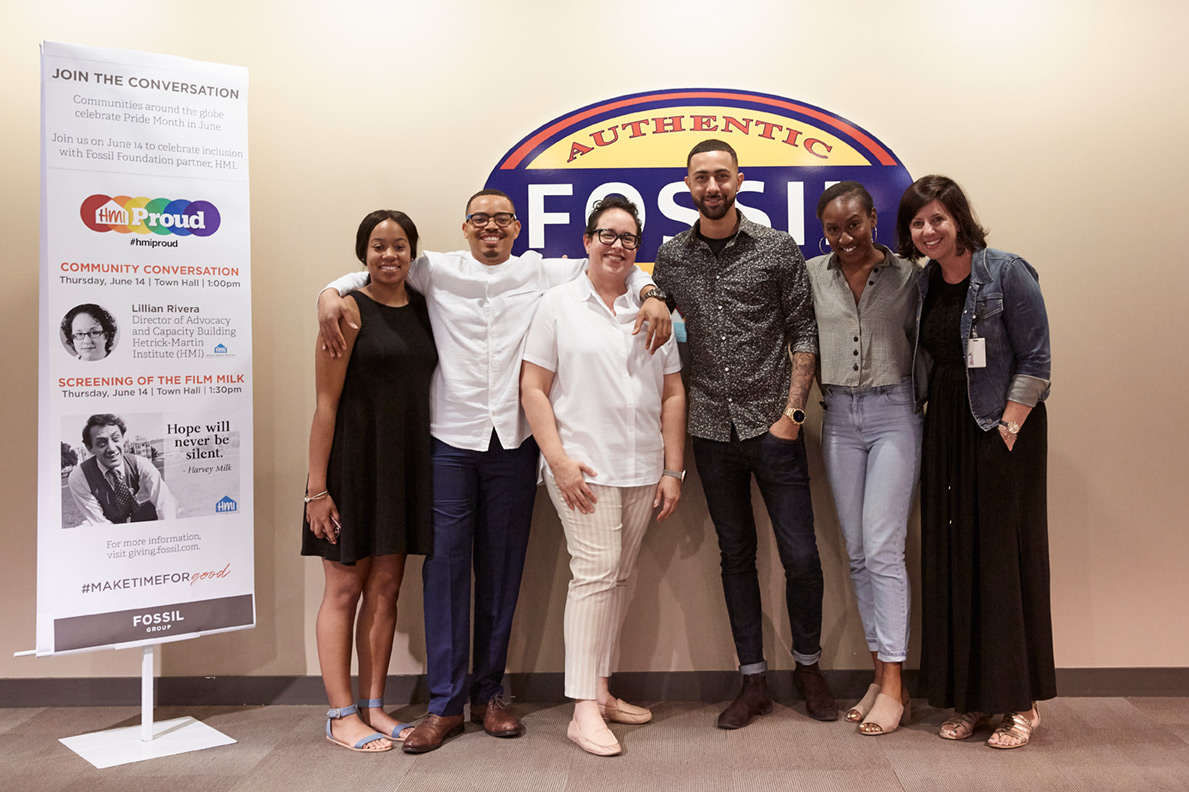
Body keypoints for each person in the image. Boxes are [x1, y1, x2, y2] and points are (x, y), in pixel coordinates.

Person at [316, 189, 672, 753]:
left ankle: (489, 695)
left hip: (514, 442)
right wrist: (329, 292)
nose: (491, 228)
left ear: (516, 227)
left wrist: (653, 293)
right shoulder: (435, 270)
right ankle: (445, 704)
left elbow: (616, 264)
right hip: (449, 443)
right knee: (447, 574)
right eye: (480, 219)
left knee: (504, 573)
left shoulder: (541, 269)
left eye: (502, 220)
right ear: (464, 227)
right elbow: (376, 265)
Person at [652, 139, 837, 727]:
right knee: (736, 557)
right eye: (701, 177)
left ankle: (808, 667)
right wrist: (655, 295)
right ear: (687, 185)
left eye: (721, 176)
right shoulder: (671, 256)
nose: (712, 186)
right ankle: (752, 679)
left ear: (739, 181)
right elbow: (653, 297)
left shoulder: (778, 249)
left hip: (773, 428)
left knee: (802, 558)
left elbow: (803, 334)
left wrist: (793, 415)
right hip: (710, 431)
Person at [520, 196, 686, 756]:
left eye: (629, 238)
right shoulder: (556, 304)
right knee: (594, 577)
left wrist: (672, 468)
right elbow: (533, 388)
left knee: (620, 578)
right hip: (582, 469)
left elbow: (673, 393)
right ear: (587, 241)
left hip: (642, 467)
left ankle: (601, 687)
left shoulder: (655, 308)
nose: (617, 245)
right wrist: (558, 461)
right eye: (607, 235)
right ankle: (583, 710)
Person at [896, 175, 1055, 749]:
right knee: (951, 558)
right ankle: (970, 700)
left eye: (937, 218)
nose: (928, 230)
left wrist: (1008, 427)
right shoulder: (923, 283)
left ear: (958, 218)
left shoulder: (1006, 271)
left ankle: (1019, 703)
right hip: (945, 428)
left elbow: (1036, 356)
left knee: (999, 559)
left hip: (998, 427)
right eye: (917, 223)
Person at [302, 210, 437, 753]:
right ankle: (339, 714)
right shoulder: (347, 312)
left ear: (412, 253)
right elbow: (325, 404)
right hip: (351, 467)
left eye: (399, 245)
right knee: (344, 590)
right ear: (363, 254)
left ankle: (374, 706)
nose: (389, 255)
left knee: (386, 589)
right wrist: (317, 488)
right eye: (378, 246)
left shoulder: (427, 310)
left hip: (404, 466)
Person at [805, 182, 921, 735]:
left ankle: (896, 682)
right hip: (838, 419)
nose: (845, 237)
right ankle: (879, 674)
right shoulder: (812, 274)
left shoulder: (910, 276)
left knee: (883, 548)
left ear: (872, 218)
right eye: (833, 228)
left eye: (854, 224)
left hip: (894, 412)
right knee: (856, 552)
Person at [67, 414, 177, 525]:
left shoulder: (140, 463)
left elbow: (164, 502)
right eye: (102, 443)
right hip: (106, 521)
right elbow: (99, 522)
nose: (111, 448)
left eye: (115, 439)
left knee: (171, 501)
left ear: (123, 439)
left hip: (134, 515)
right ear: (90, 448)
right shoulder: (80, 476)